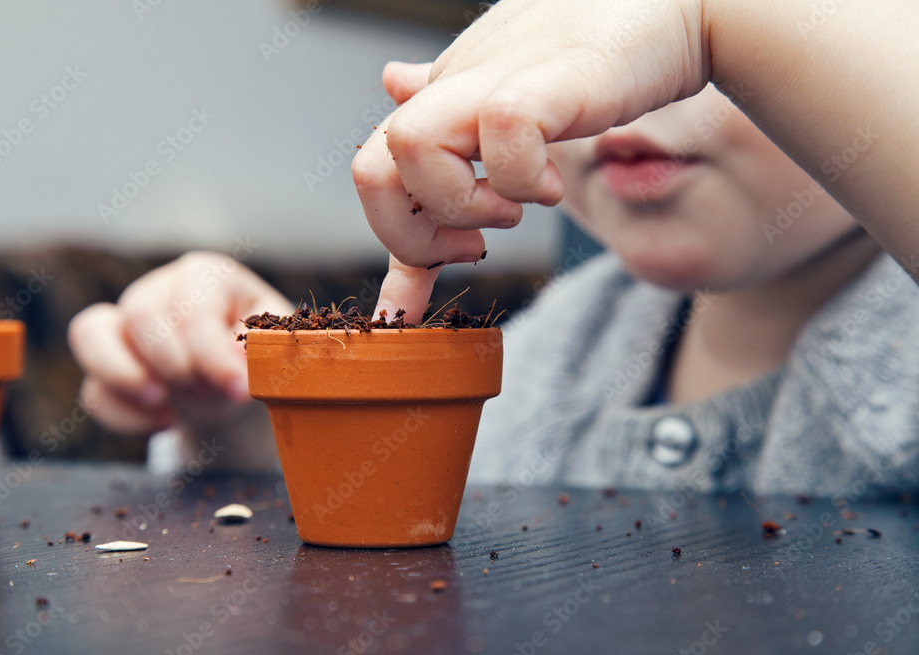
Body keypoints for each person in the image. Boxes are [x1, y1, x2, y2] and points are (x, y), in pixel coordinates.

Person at [69, 0, 919, 497]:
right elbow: (393, 501)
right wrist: (260, 418)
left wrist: (718, 23)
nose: (627, 95)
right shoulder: (569, 345)